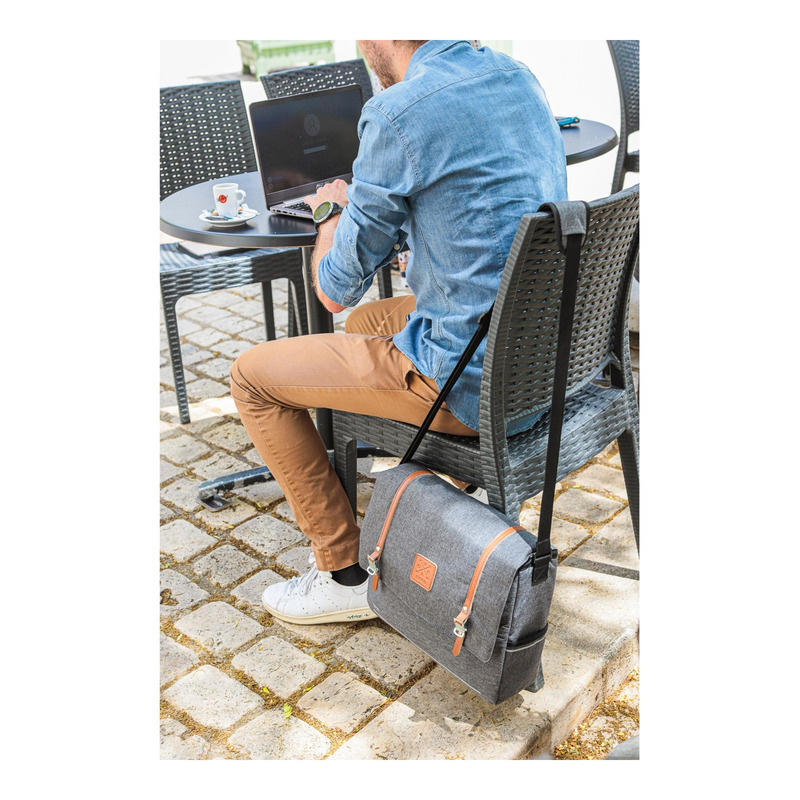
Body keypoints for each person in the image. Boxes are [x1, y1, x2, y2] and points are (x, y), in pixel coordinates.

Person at [230, 40, 567, 625]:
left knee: (250, 378)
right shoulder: (516, 77)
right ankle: (421, 492)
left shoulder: (397, 112)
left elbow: (334, 290)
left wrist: (331, 213)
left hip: (471, 386)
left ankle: (342, 573)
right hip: (542, 358)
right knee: (366, 325)